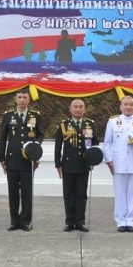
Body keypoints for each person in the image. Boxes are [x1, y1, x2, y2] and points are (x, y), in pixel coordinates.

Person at [103, 96, 133, 232]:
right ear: (121, 106)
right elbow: (107, 143)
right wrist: (109, 161)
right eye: (126, 104)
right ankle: (120, 221)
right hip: (118, 163)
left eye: (131, 104)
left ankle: (131, 221)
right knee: (120, 193)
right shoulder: (113, 121)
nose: (129, 107)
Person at [0, 90, 43, 231]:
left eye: (25, 97)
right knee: (12, 192)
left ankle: (25, 221)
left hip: (28, 160)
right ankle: (14, 221)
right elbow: (3, 138)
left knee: (26, 192)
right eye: (20, 97)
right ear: (15, 99)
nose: (22, 100)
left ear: (29, 100)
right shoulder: (8, 116)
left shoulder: (35, 116)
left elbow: (40, 135)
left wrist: (35, 147)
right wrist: (1, 158)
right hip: (11, 159)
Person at [54, 99, 97, 232]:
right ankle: (69, 222)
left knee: (81, 194)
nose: (78, 109)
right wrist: (58, 163)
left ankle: (80, 222)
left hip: (84, 164)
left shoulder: (90, 124)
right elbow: (58, 145)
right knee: (68, 194)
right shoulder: (64, 125)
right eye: (75, 107)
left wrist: (93, 159)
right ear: (70, 109)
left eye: (80, 107)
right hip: (68, 164)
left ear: (84, 109)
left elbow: (95, 143)